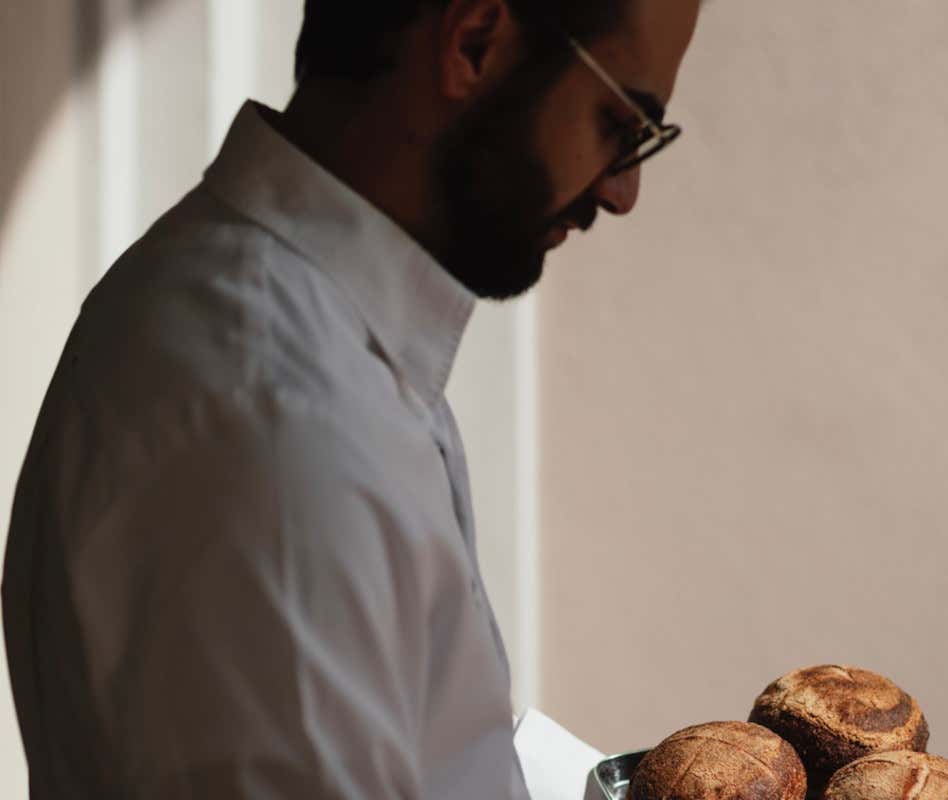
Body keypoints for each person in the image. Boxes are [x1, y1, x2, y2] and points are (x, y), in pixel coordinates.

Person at [1, 0, 701, 797]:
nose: (623, 191)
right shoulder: (270, 414)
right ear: (475, 43)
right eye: (621, 123)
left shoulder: (317, 343)